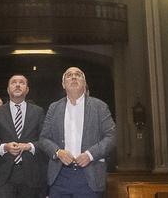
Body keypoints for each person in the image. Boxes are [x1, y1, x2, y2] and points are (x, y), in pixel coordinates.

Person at [39, 67, 115, 198]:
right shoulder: (54, 107)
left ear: (84, 83)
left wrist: (90, 154)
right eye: (69, 75)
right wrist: (58, 152)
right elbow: (43, 138)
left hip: (89, 176)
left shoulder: (100, 107)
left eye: (78, 75)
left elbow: (112, 136)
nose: (73, 77)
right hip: (60, 176)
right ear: (63, 84)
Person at [0, 75, 45, 198]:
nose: (18, 85)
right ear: (8, 89)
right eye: (14, 82)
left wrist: (29, 146)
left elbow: (45, 141)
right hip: (4, 176)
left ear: (27, 89)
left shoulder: (38, 112)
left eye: (22, 83)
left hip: (31, 176)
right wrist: (4, 147)